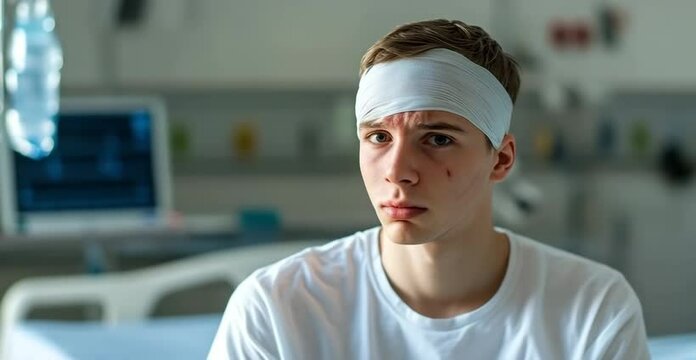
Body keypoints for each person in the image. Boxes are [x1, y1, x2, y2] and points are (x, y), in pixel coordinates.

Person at [209, 19, 649, 359]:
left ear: (501, 159)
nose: (398, 172)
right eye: (379, 137)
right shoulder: (279, 311)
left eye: (438, 139)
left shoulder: (592, 311)